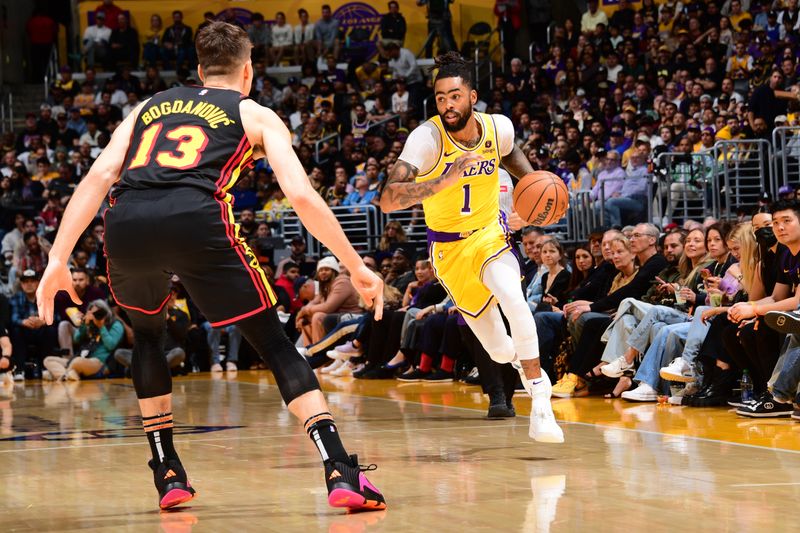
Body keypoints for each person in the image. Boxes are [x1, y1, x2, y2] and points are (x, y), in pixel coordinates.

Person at [36, 21, 385, 513]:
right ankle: (339, 470)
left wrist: (57, 258)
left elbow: (99, 176)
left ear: (199, 70)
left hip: (127, 219)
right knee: (274, 344)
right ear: (248, 71)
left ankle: (167, 469)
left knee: (149, 336)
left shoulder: (147, 107)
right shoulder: (254, 112)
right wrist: (356, 266)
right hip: (197, 217)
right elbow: (302, 196)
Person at [380, 52, 564, 443]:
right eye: (441, 97)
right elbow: (389, 198)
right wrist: (444, 180)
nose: (447, 104)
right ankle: (524, 368)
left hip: (489, 235)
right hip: (447, 252)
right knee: (499, 351)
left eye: (455, 96)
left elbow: (512, 157)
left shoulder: (498, 129)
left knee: (515, 298)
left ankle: (540, 399)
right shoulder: (426, 139)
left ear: (472, 96)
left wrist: (535, 191)